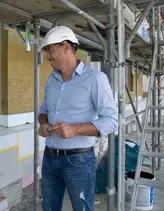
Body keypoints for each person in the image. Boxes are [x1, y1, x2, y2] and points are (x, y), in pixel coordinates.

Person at [37, 26, 118, 211]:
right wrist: (43, 124)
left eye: (50, 50)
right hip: (50, 157)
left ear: (65, 47)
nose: (47, 56)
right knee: (49, 208)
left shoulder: (95, 79)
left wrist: (75, 129)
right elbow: (43, 111)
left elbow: (111, 121)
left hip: (79, 161)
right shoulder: (52, 80)